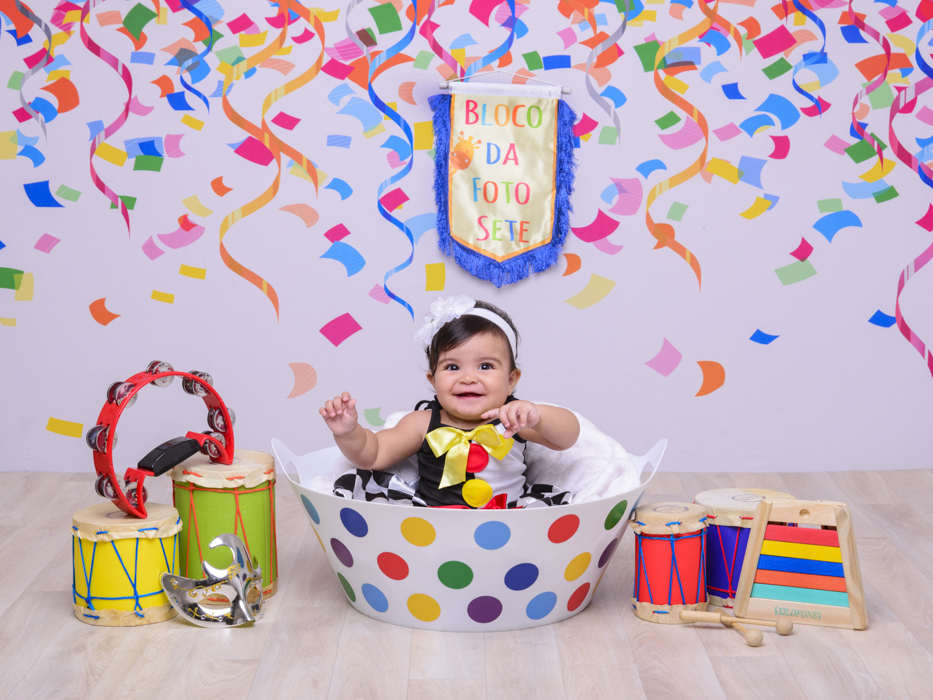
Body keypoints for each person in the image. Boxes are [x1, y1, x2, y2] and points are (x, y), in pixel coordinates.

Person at [319, 295, 580, 508]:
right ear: (433, 380)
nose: (468, 378)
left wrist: (540, 416)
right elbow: (373, 454)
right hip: (437, 524)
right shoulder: (421, 423)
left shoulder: (514, 419)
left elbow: (566, 438)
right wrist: (349, 433)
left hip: (507, 521)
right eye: (452, 367)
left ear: (511, 379)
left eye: (486, 366)